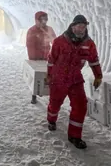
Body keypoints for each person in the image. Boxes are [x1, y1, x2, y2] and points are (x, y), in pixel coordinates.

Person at [46, 15, 103, 149]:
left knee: (81, 105)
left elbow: (94, 60)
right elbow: (51, 59)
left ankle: (74, 136)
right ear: (72, 26)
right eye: (79, 26)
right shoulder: (60, 41)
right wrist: (49, 75)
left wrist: (98, 76)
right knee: (55, 103)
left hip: (75, 79)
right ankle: (51, 120)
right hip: (58, 78)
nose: (81, 29)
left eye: (83, 27)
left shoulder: (89, 44)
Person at [26, 11, 56, 104]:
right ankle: (34, 95)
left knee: (49, 76)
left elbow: (55, 42)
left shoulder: (49, 29)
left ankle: (50, 95)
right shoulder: (32, 31)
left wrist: (55, 54)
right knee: (36, 77)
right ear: (36, 20)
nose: (43, 22)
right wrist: (34, 59)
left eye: (45, 20)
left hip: (47, 57)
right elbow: (30, 46)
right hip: (36, 58)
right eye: (41, 20)